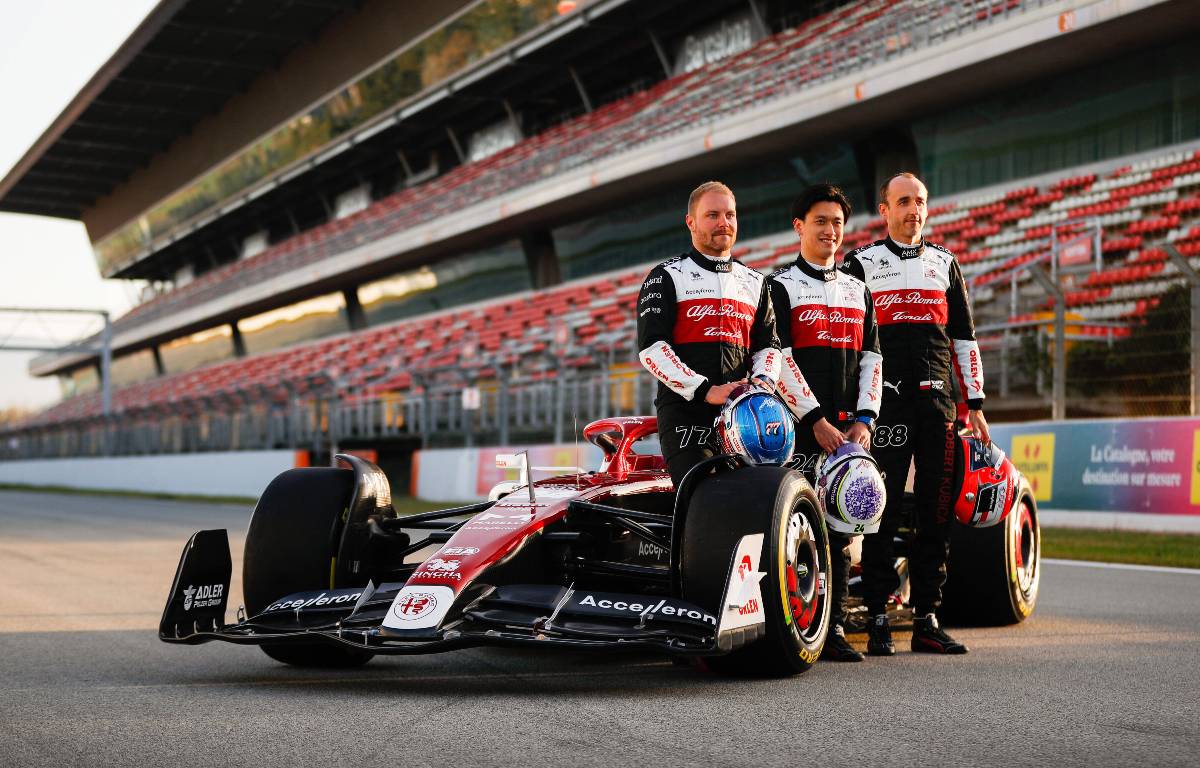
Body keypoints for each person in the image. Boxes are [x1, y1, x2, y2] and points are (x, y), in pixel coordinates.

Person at [841, 172, 990, 656]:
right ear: (884, 210)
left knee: (936, 513)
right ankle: (880, 614)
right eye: (903, 202)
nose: (914, 210)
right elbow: (852, 344)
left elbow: (964, 339)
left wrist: (977, 404)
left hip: (939, 410)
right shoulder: (860, 263)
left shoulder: (947, 263)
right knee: (877, 513)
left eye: (921, 201)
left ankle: (926, 615)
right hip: (884, 409)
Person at [769, 183, 882, 662]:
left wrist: (866, 419)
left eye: (837, 222)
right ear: (799, 226)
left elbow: (873, 358)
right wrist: (812, 418)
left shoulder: (859, 290)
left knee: (840, 530)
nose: (831, 231)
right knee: (797, 527)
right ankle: (794, 622)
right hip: (797, 429)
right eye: (821, 221)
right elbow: (779, 360)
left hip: (848, 432)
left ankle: (831, 627)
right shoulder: (778, 286)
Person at [636, 181, 781, 489]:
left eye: (730, 215)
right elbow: (652, 349)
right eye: (712, 215)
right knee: (704, 499)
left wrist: (763, 383)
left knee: (751, 503)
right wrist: (705, 390)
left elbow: (769, 345)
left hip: (746, 415)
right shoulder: (666, 276)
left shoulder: (755, 281)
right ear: (691, 222)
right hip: (687, 414)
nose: (723, 223)